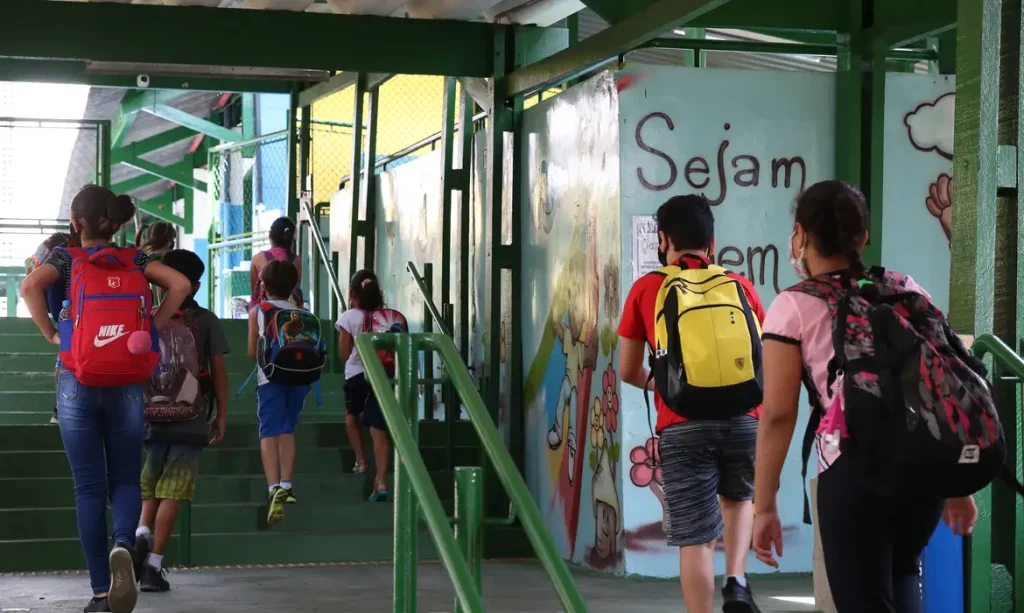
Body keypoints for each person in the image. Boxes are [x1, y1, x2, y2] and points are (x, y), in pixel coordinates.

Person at [751, 180, 978, 612]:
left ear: (799, 236)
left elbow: (779, 415)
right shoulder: (905, 289)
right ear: (863, 236)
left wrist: (763, 507)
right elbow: (941, 384)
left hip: (849, 470)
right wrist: (956, 483)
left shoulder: (793, 306)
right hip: (921, 472)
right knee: (905, 575)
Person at [20, 185, 191, 613]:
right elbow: (181, 283)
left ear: (76, 224)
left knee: (89, 488)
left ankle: (100, 592)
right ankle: (122, 543)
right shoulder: (136, 258)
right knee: (127, 479)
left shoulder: (64, 257)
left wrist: (52, 334)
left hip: (76, 378)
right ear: (114, 225)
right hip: (127, 380)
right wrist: (151, 323)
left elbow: (28, 290)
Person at [617, 194, 765, 613]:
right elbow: (763, 357)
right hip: (743, 419)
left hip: (683, 425)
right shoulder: (740, 287)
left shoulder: (648, 288)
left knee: (697, 537)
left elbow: (628, 370)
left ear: (662, 240)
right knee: (739, 500)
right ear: (711, 243)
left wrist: (668, 386)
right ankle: (736, 580)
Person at [134, 249, 229, 593]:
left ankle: (140, 535)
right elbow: (218, 371)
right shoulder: (206, 321)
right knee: (173, 491)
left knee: (151, 487)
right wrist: (221, 414)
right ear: (198, 285)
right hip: (191, 418)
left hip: (151, 415)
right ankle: (154, 567)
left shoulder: (145, 317)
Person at [248, 260, 310, 525]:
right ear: (293, 286)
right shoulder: (301, 312)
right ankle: (287, 483)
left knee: (269, 430)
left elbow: (253, 352)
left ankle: (274, 487)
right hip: (300, 378)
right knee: (287, 427)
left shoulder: (258, 311)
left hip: (270, 378)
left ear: (264, 285)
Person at [335, 270, 396, 502]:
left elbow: (342, 353)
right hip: (382, 377)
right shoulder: (386, 317)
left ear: (352, 294)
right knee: (378, 429)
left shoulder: (349, 316)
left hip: (356, 377)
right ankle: (381, 481)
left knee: (351, 419)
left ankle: (361, 461)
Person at [26, 229, 79, 426]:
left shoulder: (57, 247)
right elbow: (28, 287)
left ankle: (60, 412)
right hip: (82, 321)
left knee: (66, 355)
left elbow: (29, 285)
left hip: (64, 320)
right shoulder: (69, 254)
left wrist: (52, 334)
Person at [249, 217, 303, 308]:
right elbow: (295, 286)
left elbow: (255, 291)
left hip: (264, 311)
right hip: (290, 311)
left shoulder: (257, 259)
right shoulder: (296, 261)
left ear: (270, 235)